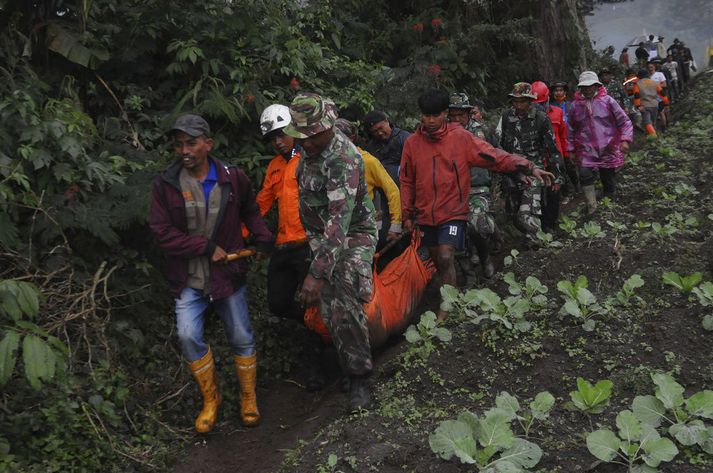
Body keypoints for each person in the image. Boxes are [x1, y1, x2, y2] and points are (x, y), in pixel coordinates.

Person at [149, 114, 272, 432]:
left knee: (241, 336)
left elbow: (250, 209)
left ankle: (248, 398)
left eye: (191, 143)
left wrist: (261, 236)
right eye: (179, 145)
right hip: (189, 276)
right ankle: (211, 400)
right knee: (188, 335)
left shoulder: (233, 177)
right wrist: (203, 247)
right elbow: (162, 233)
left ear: (208, 144)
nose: (184, 150)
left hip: (228, 274)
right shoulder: (166, 184)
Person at [400, 88, 554, 321]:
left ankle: (446, 307)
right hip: (425, 213)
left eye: (435, 115)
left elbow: (494, 155)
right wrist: (407, 214)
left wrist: (528, 166)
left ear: (444, 115)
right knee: (438, 260)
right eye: (426, 115)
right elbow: (407, 180)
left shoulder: (460, 138)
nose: (430, 121)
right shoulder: (412, 144)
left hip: (452, 211)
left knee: (444, 255)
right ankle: (451, 292)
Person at [283, 93, 377, 411]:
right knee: (327, 309)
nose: (306, 143)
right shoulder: (309, 153)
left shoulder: (343, 158)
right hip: (321, 240)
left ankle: (361, 380)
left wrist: (317, 272)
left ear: (327, 127)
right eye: (302, 136)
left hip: (352, 236)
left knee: (345, 297)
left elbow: (339, 223)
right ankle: (347, 363)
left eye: (312, 135)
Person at [255, 104, 327, 391]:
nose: (277, 141)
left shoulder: (311, 160)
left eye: (281, 134)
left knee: (311, 304)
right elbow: (261, 203)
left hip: (308, 244)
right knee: (278, 301)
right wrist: (241, 233)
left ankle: (319, 365)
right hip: (284, 245)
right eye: (272, 137)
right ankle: (322, 330)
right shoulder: (274, 167)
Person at [497, 82, 565, 236]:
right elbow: (499, 145)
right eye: (516, 101)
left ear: (530, 101)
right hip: (512, 170)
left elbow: (553, 150)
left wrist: (558, 176)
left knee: (527, 213)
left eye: (523, 101)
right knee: (512, 213)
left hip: (534, 171)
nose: (519, 105)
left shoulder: (541, 119)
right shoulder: (507, 116)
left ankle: (537, 241)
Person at [567, 72, 633, 214]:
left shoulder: (608, 101)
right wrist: (571, 149)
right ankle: (592, 206)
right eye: (585, 87)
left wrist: (625, 140)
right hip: (586, 148)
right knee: (584, 174)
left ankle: (609, 202)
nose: (588, 89)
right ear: (580, 88)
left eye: (591, 86)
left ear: (597, 86)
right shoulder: (575, 106)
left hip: (608, 146)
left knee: (607, 176)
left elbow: (624, 121)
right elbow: (571, 129)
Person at [447, 92, 497, 279]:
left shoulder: (483, 131)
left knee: (475, 225)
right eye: (453, 115)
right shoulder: (442, 134)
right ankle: (469, 275)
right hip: (451, 192)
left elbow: (497, 154)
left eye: (461, 114)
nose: (457, 119)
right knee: (454, 234)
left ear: (468, 113)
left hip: (478, 188)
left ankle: (485, 258)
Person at [333, 118, 402, 243]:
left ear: (352, 138)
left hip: (361, 228)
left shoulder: (368, 161)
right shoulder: (327, 163)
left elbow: (392, 191)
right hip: (335, 227)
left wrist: (395, 225)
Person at [531, 81, 569, 226]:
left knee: (554, 192)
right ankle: (541, 223)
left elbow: (563, 135)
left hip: (554, 158)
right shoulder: (528, 117)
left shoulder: (557, 113)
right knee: (539, 194)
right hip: (537, 160)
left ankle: (552, 223)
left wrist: (566, 154)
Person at [362, 110, 411, 186]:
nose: (380, 133)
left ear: (386, 121)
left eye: (381, 128)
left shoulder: (405, 138)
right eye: (375, 131)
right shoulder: (371, 146)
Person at [636, 68, 669, 137]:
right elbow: (662, 93)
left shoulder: (637, 84)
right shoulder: (654, 83)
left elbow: (637, 96)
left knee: (647, 122)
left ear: (639, 76)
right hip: (655, 105)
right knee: (653, 122)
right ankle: (654, 136)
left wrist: (638, 106)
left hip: (644, 106)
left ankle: (654, 137)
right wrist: (666, 104)